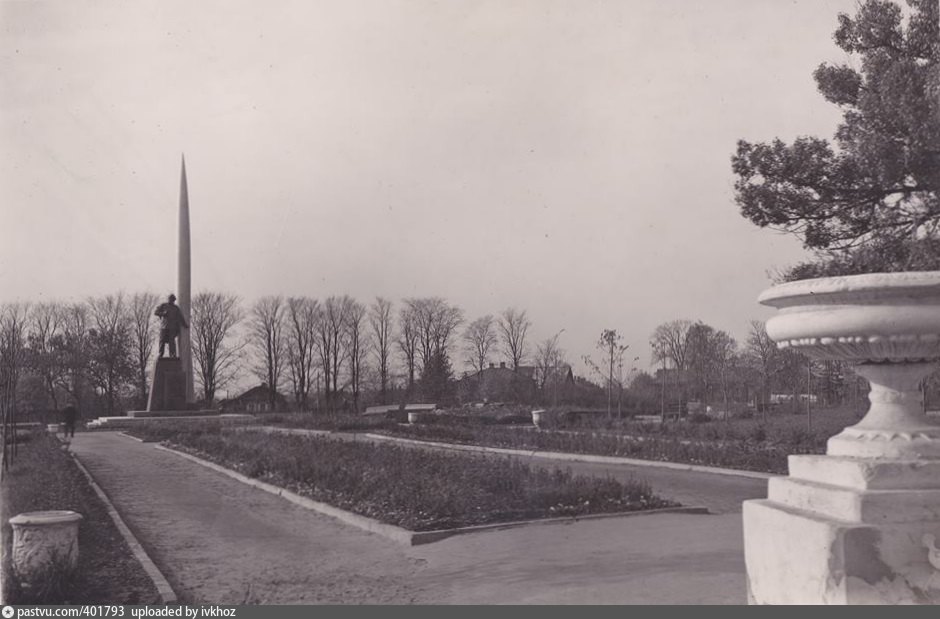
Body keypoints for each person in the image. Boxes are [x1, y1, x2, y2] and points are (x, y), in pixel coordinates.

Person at [154, 293, 189, 358]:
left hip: (172, 328)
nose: (171, 300)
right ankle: (161, 353)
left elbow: (180, 317)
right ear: (168, 299)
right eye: (170, 299)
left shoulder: (176, 308)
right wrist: (163, 313)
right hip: (164, 327)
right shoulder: (163, 305)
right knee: (162, 340)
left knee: (172, 342)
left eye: (172, 300)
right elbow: (156, 312)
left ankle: (172, 354)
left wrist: (185, 325)